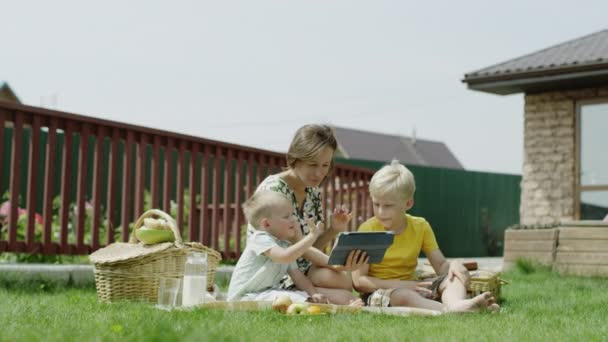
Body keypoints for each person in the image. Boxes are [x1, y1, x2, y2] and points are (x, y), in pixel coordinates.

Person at [352, 160, 500, 313]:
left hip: (412, 286)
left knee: (453, 278)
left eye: (388, 206)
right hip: (378, 294)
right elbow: (359, 282)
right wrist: (403, 285)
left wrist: (454, 265)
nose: (381, 212)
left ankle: (458, 305)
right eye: (376, 204)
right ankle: (453, 311)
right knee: (405, 295)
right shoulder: (367, 230)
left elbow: (441, 266)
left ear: (408, 203)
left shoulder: (420, 226)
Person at [251, 124, 367, 304]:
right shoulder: (274, 192)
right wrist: (333, 263)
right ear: (294, 159)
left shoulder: (313, 192)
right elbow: (295, 246)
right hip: (274, 274)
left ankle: (306, 293)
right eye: (312, 164)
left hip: (302, 271)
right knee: (346, 297)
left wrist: (333, 230)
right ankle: (302, 294)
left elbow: (309, 248)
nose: (319, 173)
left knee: (343, 280)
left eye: (325, 165)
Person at [227, 191, 359, 305]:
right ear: (267, 223)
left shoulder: (284, 244)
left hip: (264, 294)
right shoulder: (259, 239)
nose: (294, 219)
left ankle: (334, 307)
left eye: (292, 214)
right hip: (245, 297)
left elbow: (298, 277)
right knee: (290, 298)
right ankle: (336, 309)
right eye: (287, 216)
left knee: (300, 296)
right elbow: (285, 257)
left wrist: (313, 293)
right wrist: (311, 237)